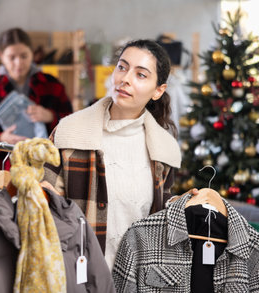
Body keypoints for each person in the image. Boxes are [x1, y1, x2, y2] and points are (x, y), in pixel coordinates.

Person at [43, 39, 198, 270]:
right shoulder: (70, 132)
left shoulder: (164, 149)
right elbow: (45, 205)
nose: (125, 79)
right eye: (122, 67)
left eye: (141, 74)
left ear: (158, 91)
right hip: (77, 275)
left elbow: (156, 212)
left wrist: (182, 203)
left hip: (137, 278)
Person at [0, 28, 73, 169]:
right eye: (12, 57)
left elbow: (72, 124)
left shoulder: (53, 86)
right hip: (5, 170)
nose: (18, 63)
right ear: (1, 56)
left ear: (33, 54)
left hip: (49, 168)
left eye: (24, 56)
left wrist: (50, 116)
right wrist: (0, 138)